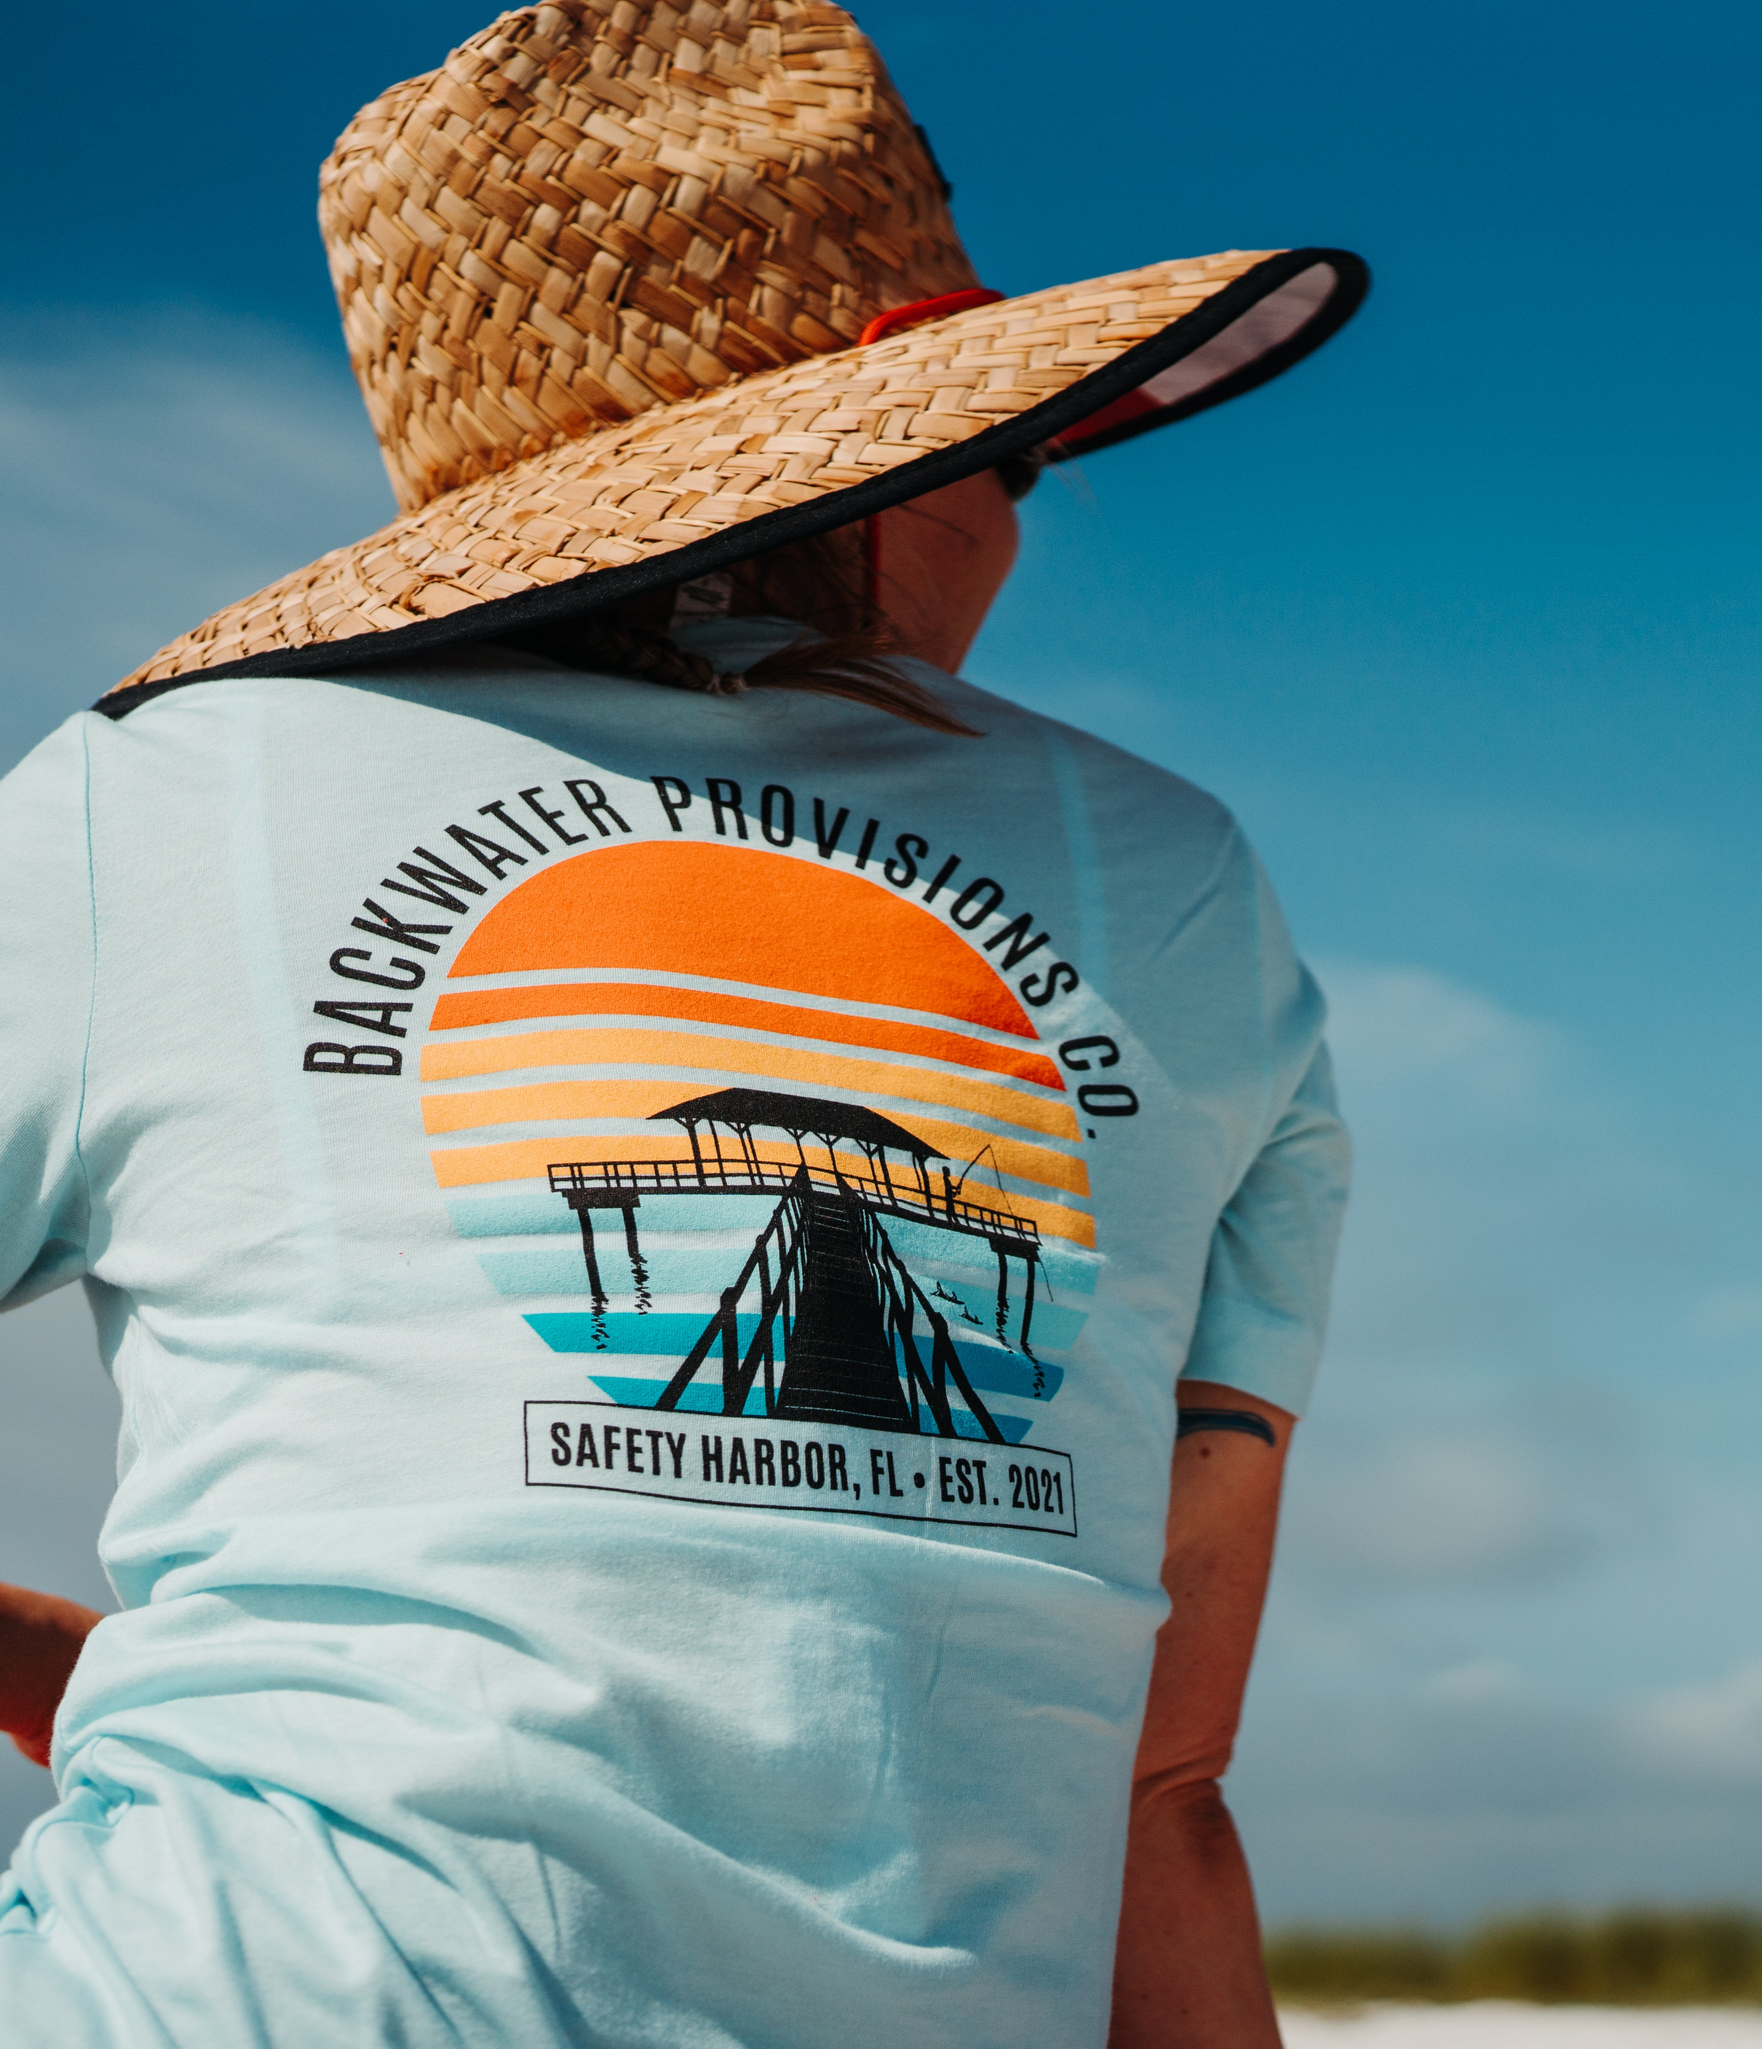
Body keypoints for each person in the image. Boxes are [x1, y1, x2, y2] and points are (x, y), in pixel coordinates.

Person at [0, 5, 1364, 2042]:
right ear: (903, 476)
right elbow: (1157, 1779)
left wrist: (172, 1685)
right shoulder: (1166, 876)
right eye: (1006, 454)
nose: (1021, 522)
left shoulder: (165, 801)